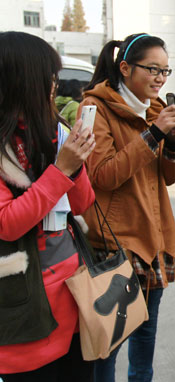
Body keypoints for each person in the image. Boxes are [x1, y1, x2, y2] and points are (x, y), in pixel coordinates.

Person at [78, 33, 175, 382]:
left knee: (146, 336)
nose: (160, 78)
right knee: (109, 344)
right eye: (152, 69)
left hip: (154, 240)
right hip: (118, 245)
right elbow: (102, 175)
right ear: (125, 68)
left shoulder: (156, 111)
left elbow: (169, 178)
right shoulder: (94, 109)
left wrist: (173, 143)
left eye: (165, 71)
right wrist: (155, 134)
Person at [0, 31, 96, 381]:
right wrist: (62, 169)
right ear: (22, 80)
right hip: (24, 301)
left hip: (73, 292)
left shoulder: (51, 129)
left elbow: (83, 203)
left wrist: (77, 158)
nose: (54, 87)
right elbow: (8, 223)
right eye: (49, 78)